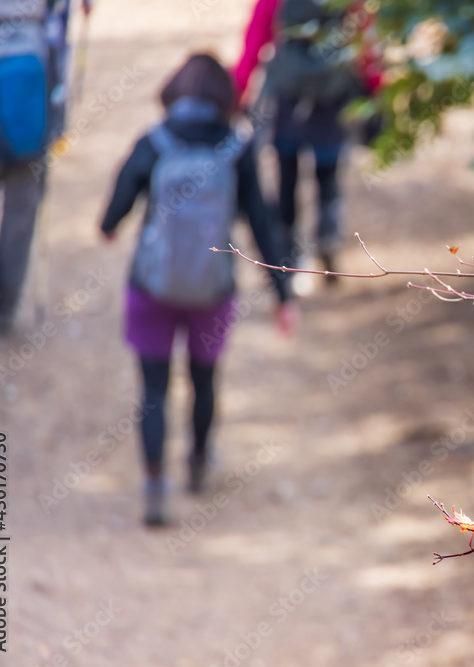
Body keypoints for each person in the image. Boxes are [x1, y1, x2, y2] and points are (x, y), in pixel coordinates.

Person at [100, 53, 297, 527]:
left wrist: (111, 226)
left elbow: (115, 210)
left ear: (173, 93)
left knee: (153, 387)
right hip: (213, 290)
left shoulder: (154, 142)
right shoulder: (238, 148)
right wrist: (284, 295)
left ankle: (153, 484)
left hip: (151, 286)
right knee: (205, 380)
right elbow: (263, 225)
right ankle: (199, 460)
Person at [234, 0, 381, 286]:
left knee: (287, 178)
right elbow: (367, 42)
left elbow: (255, 41)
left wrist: (239, 88)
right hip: (332, 97)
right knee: (328, 175)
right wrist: (376, 87)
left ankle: (289, 255)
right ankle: (327, 239)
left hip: (289, 96)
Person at [0, 0, 91, 334]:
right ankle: (6, 309)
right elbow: (61, 73)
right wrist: (57, 127)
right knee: (20, 219)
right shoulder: (45, 24)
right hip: (33, 132)